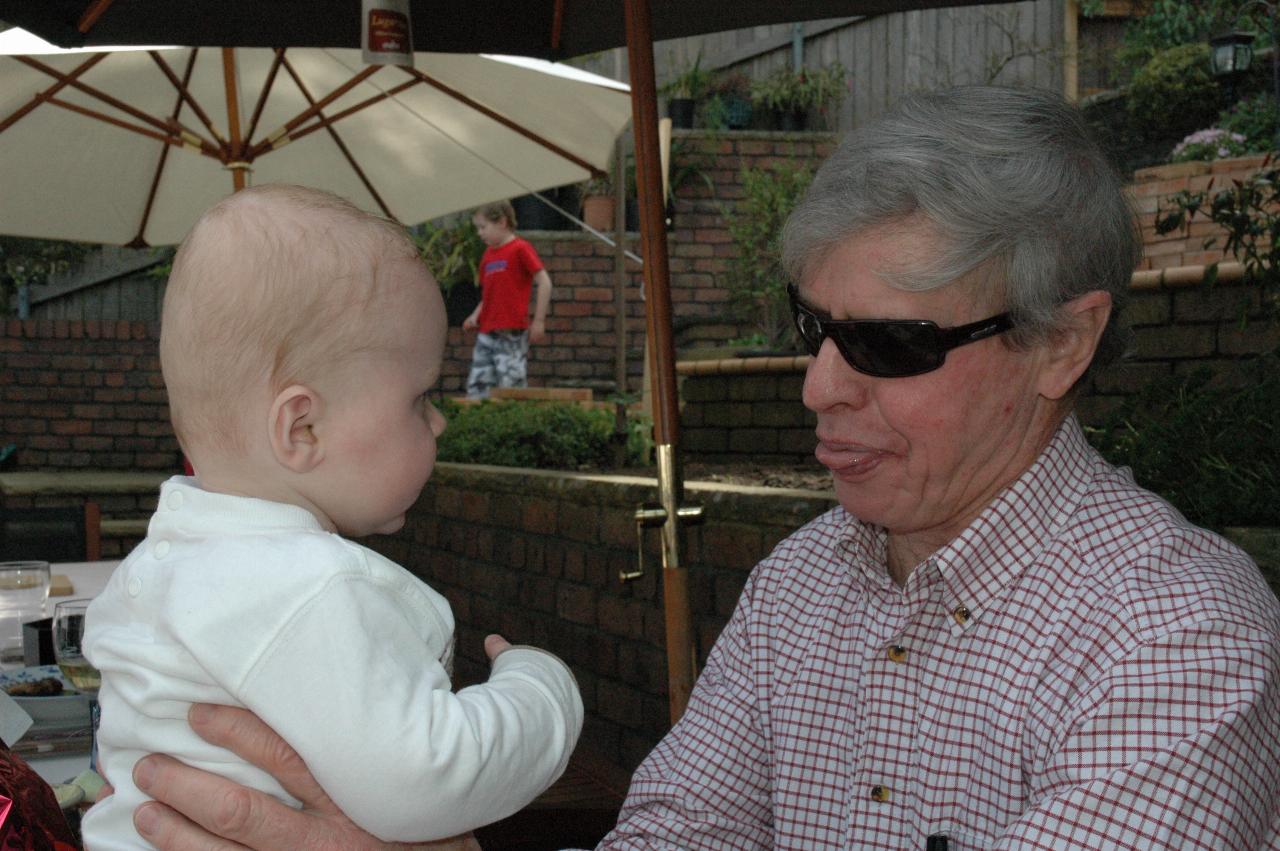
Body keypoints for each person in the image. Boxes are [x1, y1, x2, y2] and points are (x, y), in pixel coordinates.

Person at [115, 86, 1280, 850]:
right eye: (808, 325)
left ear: (1059, 343)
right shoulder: (802, 581)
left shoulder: (1174, 637)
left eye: (888, 342)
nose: (819, 385)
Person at [80, 184, 582, 849]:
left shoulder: (155, 566)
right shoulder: (311, 585)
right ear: (303, 427)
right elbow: (428, 776)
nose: (438, 420)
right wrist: (543, 689)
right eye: (420, 395)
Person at [462, 200, 553, 399]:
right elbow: (488, 294)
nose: (479, 233)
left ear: (502, 222)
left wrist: (539, 321)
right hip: (487, 331)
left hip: (511, 330)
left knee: (511, 384)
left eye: (483, 227)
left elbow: (544, 282)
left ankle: (515, 425)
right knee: (478, 384)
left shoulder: (520, 248)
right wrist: (474, 316)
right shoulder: (488, 255)